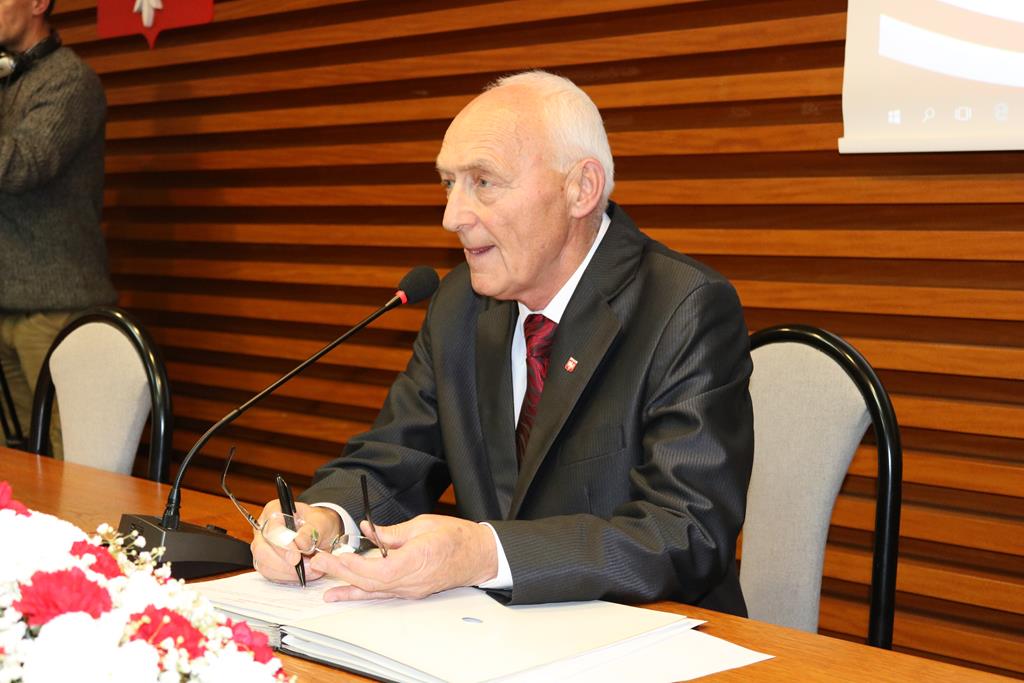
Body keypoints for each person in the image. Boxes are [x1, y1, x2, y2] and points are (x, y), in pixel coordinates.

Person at [251, 70, 754, 615]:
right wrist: (324, 519)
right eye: (449, 183)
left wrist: (486, 554)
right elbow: (397, 459)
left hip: (654, 633)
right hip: (492, 633)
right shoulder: (459, 305)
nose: (452, 217)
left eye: (483, 182)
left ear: (580, 189)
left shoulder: (682, 306)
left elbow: (686, 530)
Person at [0, 0, 115, 456]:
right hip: (5, 301)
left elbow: (24, 163)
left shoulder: (70, 79)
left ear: (37, 3)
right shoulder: (6, 80)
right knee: (13, 465)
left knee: (72, 462)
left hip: (56, 308)